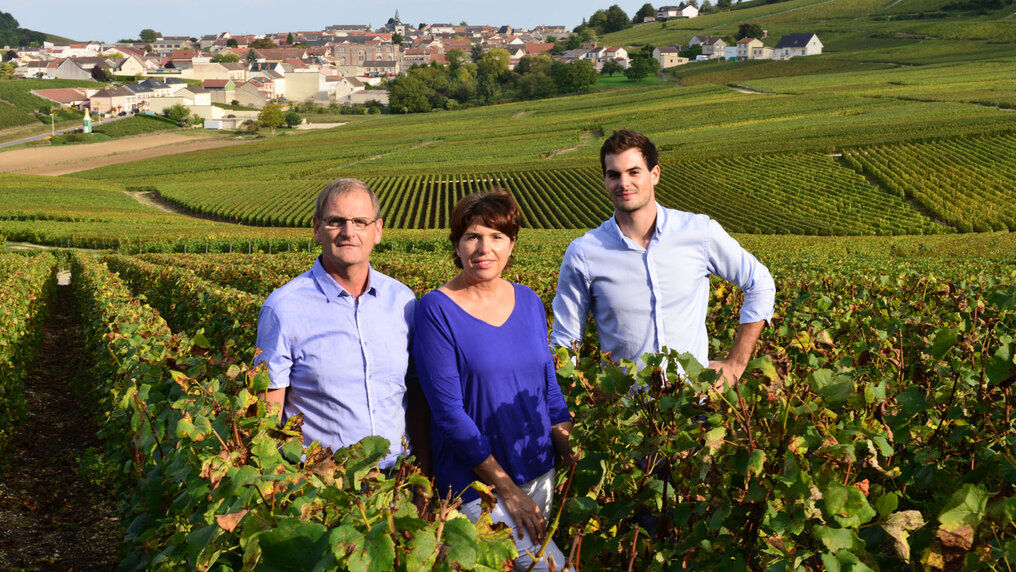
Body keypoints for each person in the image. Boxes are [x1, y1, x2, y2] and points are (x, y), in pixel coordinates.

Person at [413, 190, 577, 572]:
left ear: (512, 243)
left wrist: (571, 450)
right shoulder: (436, 309)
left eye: (496, 236)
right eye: (472, 236)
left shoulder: (530, 300)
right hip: (481, 486)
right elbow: (449, 415)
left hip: (539, 472)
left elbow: (548, 390)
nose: (484, 248)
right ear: (456, 244)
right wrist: (506, 489)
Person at [551, 129, 776, 390]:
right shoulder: (584, 253)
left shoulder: (698, 232)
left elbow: (759, 282)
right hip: (626, 415)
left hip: (697, 408)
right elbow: (565, 342)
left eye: (634, 172)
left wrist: (735, 364)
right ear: (605, 180)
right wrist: (579, 397)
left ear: (654, 174)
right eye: (614, 175)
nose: (624, 183)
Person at [255, 178, 428, 471]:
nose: (349, 232)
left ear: (378, 231)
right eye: (336, 221)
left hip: (399, 478)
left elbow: (414, 393)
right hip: (322, 486)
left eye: (360, 222)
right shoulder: (283, 308)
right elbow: (267, 413)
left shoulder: (402, 301)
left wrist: (424, 466)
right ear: (316, 228)